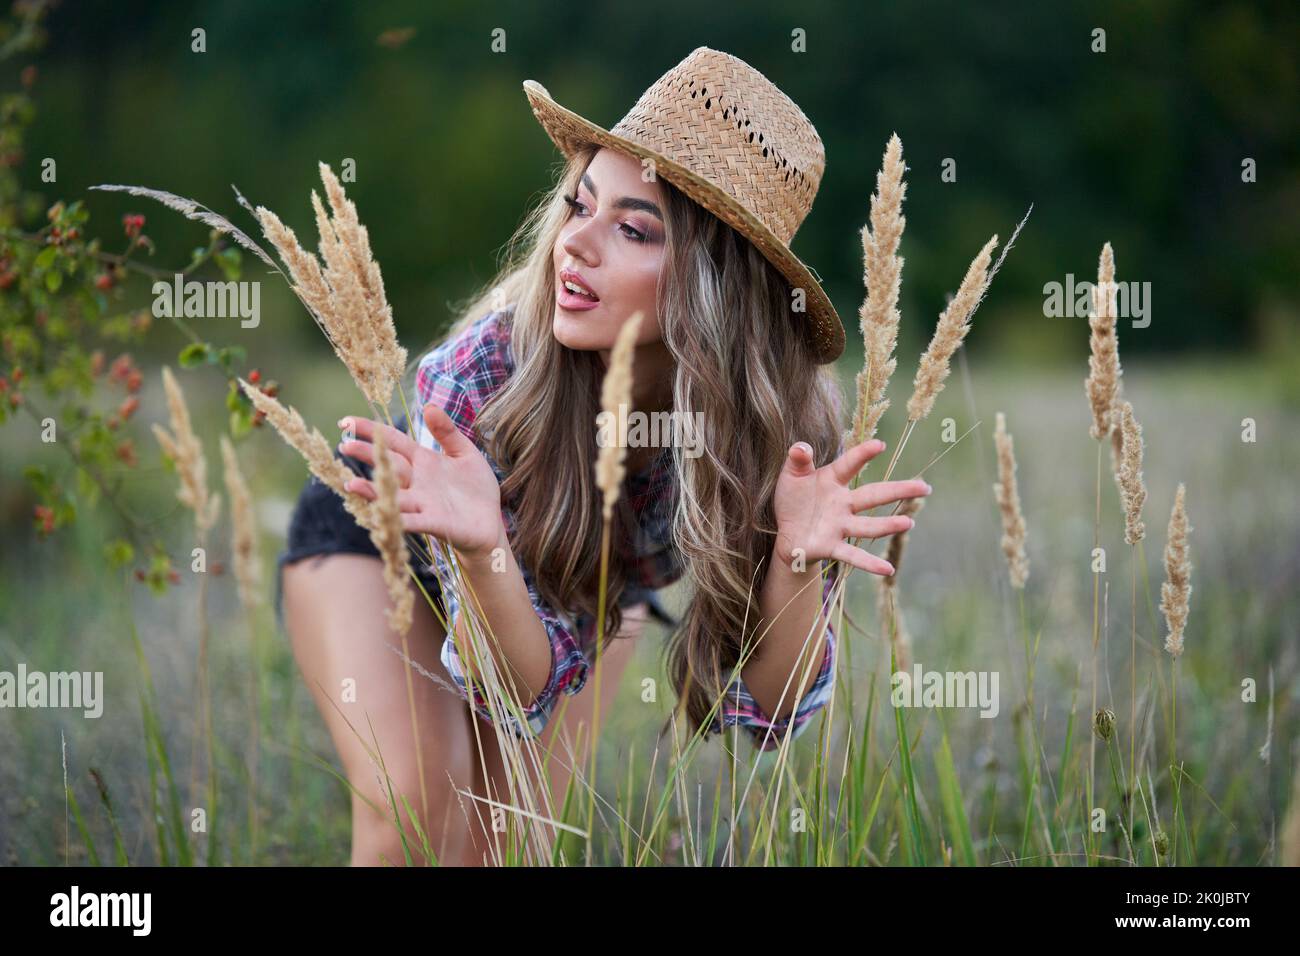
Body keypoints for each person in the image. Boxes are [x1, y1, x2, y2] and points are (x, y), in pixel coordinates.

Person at [277, 46, 931, 866]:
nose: (574, 245)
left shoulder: (787, 432)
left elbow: (769, 712)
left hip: (580, 585)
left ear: (714, 282)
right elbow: (514, 687)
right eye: (579, 204)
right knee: (417, 819)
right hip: (385, 536)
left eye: (632, 229)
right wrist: (481, 547)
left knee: (508, 843)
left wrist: (793, 567)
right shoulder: (484, 373)